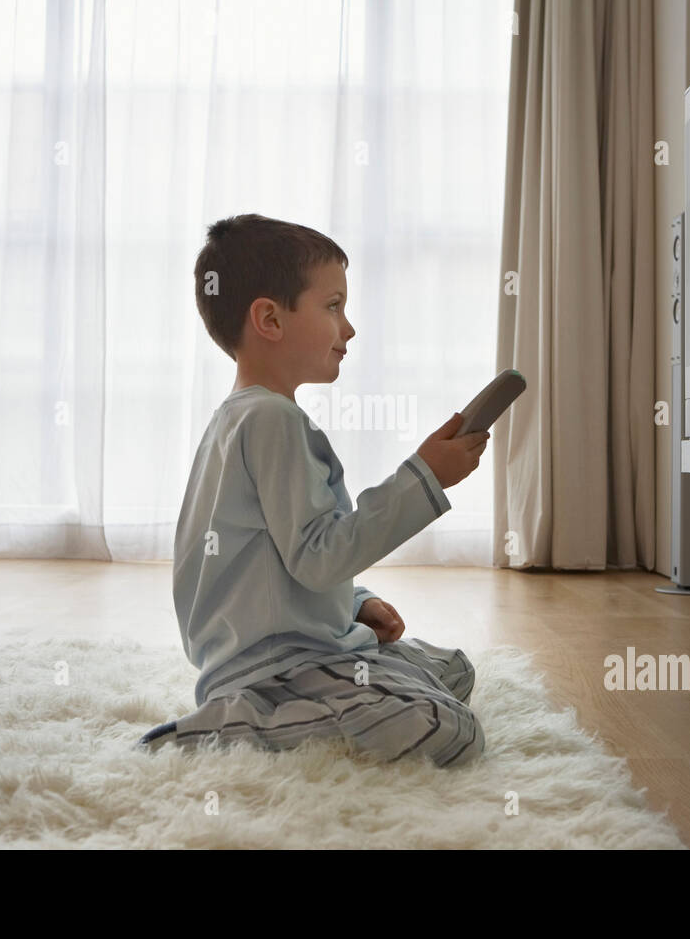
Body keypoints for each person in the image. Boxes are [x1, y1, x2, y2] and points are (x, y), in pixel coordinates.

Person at [138, 213, 489, 767]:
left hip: (308, 647)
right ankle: (232, 726)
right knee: (451, 728)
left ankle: (331, 695)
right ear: (270, 320)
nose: (347, 328)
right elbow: (318, 555)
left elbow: (281, 558)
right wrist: (425, 476)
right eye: (333, 307)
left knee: (454, 669)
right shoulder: (269, 421)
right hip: (277, 667)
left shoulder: (252, 418)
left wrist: (355, 602)